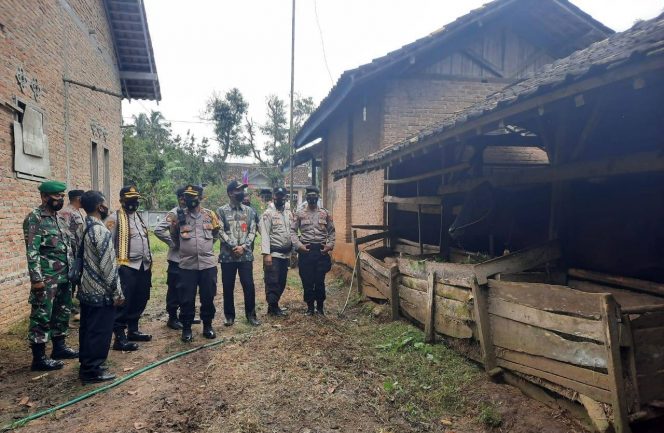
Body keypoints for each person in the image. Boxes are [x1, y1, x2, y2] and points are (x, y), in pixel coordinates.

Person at [23, 180, 78, 371]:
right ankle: (39, 358)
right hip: (46, 279)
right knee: (41, 316)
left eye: (63, 196)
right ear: (44, 197)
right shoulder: (35, 219)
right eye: (57, 196)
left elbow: (67, 248)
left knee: (62, 313)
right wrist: (36, 279)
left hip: (64, 278)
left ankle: (59, 348)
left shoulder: (59, 219)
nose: (61, 199)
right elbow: (32, 251)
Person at [162, 185, 220, 341]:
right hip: (187, 266)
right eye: (187, 196)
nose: (189, 200)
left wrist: (204, 248)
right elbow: (174, 237)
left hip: (207, 264)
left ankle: (207, 326)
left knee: (208, 296)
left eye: (193, 197)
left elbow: (215, 234)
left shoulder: (210, 215)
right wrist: (187, 249)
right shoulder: (178, 217)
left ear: (200, 198)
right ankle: (186, 329)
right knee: (186, 298)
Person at [77, 191, 124, 383]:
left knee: (87, 330)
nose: (107, 207)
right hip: (100, 292)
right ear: (99, 207)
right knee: (100, 332)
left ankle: (86, 364)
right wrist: (117, 292)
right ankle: (92, 370)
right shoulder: (101, 230)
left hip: (86, 289)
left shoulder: (84, 226)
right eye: (104, 204)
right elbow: (108, 266)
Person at [105, 186, 152, 351]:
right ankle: (119, 337)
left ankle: (133, 330)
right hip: (126, 265)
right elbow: (107, 243)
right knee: (124, 301)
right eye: (130, 199)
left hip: (143, 265)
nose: (134, 202)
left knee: (141, 297)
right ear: (122, 200)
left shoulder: (138, 217)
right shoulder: (114, 218)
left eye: (136, 199)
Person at [217, 180, 260, 326]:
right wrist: (234, 246)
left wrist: (244, 247)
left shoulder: (250, 211)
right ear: (230, 193)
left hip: (245, 255)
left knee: (249, 285)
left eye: (242, 190)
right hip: (227, 256)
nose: (241, 193)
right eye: (237, 190)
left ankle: (251, 315)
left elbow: (252, 231)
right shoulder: (221, 211)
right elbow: (220, 230)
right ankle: (229, 316)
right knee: (228, 286)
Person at [291, 185, 335, 315]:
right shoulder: (299, 213)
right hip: (306, 250)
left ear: (318, 197)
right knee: (307, 280)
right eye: (309, 195)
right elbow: (292, 231)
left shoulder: (325, 213)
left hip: (321, 250)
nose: (312, 198)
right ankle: (310, 308)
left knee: (319, 280)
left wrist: (330, 245)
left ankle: (320, 308)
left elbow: (332, 231)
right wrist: (299, 246)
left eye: (314, 195)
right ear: (306, 197)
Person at [154, 186, 186, 330]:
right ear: (180, 198)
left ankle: (185, 315)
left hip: (188, 260)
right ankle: (172, 318)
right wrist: (172, 243)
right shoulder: (174, 213)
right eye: (186, 197)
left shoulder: (191, 212)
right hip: (176, 259)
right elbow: (158, 230)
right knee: (174, 289)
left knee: (186, 289)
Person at [259, 187, 292, 316]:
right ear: (273, 197)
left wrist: (293, 251)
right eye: (278, 196)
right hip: (273, 254)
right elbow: (265, 234)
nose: (280, 198)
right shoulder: (268, 214)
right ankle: (272, 307)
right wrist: (266, 254)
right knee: (272, 281)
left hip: (285, 254)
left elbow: (291, 232)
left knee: (282, 281)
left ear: (285, 197)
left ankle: (275, 305)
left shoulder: (288, 213)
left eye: (282, 196)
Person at [60, 189, 85, 320]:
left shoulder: (78, 212)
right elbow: (64, 235)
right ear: (78, 198)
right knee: (69, 285)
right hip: (70, 256)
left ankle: (73, 310)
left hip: (78, 255)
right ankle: (65, 316)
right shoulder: (66, 212)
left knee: (76, 283)